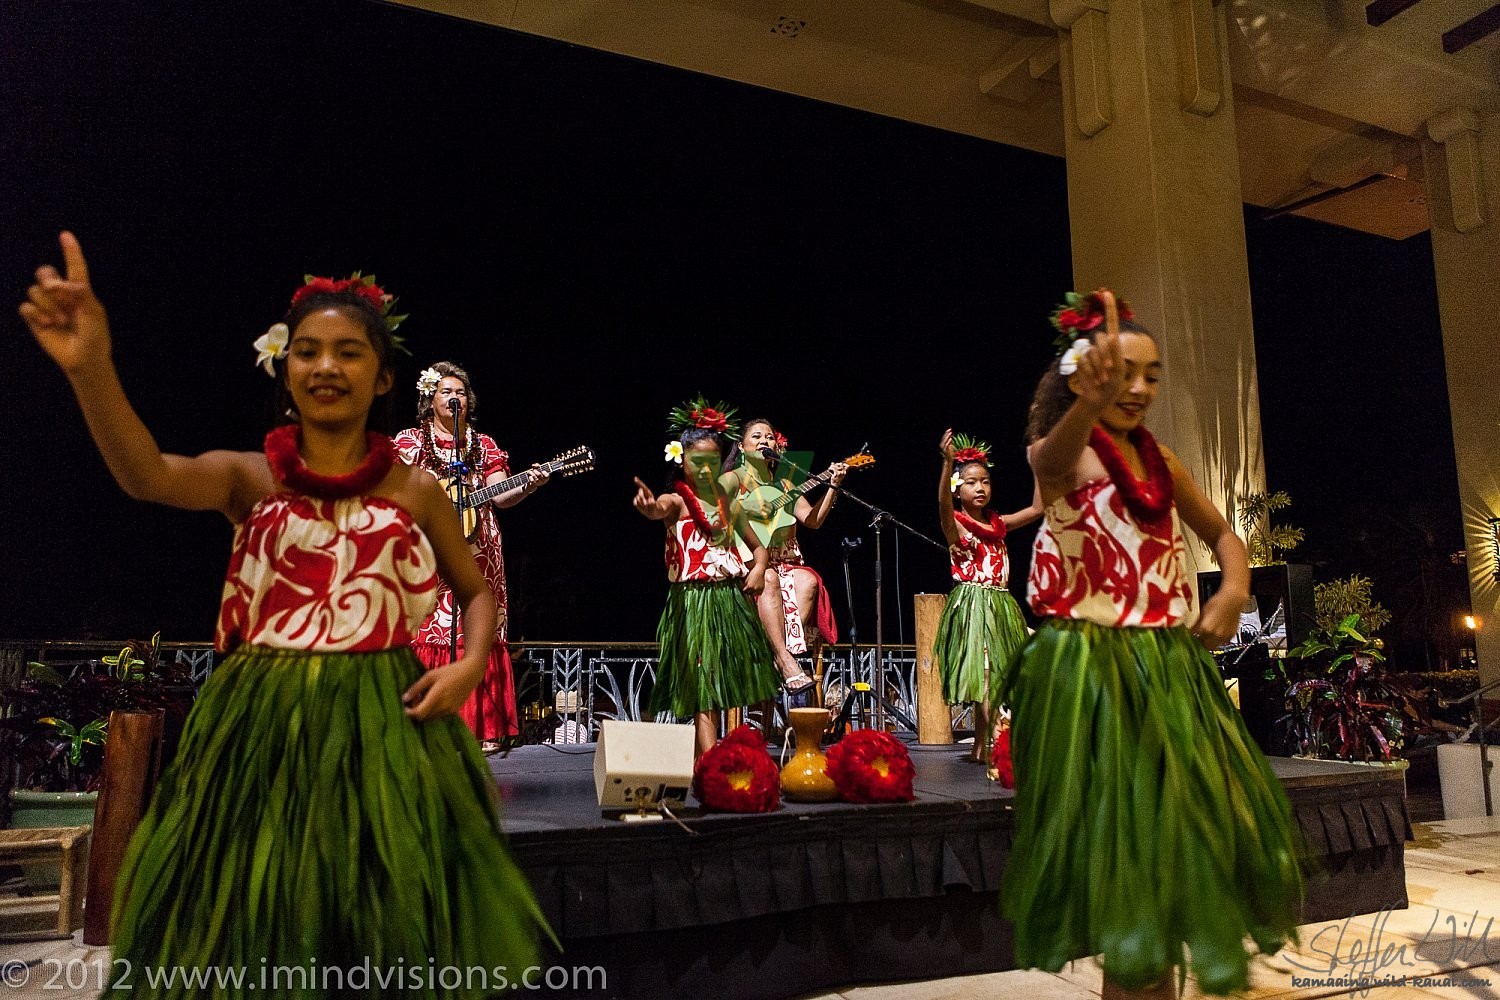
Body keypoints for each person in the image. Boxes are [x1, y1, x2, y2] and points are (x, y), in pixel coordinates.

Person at [19, 234, 544, 996]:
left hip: (386, 719)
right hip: (257, 723)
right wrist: (90, 368)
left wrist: (468, 664)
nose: (326, 365)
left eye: (349, 351)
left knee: (380, 934)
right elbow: (145, 474)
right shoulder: (248, 477)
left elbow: (478, 592)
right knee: (254, 926)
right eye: (307, 351)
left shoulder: (413, 490)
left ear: (385, 376)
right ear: (285, 368)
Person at [996, 290, 1302, 999]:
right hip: (1093, 675)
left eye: (1151, 374)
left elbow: (1226, 536)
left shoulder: (1161, 460)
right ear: (1081, 376)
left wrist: (1231, 588)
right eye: (1119, 374)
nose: (1137, 388)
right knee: (1129, 860)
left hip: (1169, 668)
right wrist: (1086, 404)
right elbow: (1049, 460)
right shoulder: (1064, 455)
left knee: (1171, 858)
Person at [395, 362, 547, 752]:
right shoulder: (410, 443)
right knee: (428, 627)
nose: (454, 397)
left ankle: (479, 730)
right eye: (446, 391)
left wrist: (527, 486)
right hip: (426, 552)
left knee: (474, 627)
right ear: (430, 400)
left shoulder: (483, 445)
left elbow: (499, 494)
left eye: (461, 392)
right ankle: (424, 719)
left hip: (478, 551)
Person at [633, 398, 780, 757]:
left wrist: (759, 568)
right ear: (682, 461)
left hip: (729, 598)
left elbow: (758, 547)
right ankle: (709, 759)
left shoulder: (729, 505)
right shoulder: (676, 500)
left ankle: (728, 755)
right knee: (703, 682)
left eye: (712, 462)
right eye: (696, 461)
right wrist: (649, 508)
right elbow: (659, 510)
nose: (704, 469)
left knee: (734, 678)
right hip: (691, 602)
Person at [933, 429, 1039, 762]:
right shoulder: (956, 525)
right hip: (973, 605)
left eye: (986, 482)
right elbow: (942, 503)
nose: (980, 488)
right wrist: (947, 464)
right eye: (971, 482)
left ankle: (982, 747)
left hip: (1002, 604)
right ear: (957, 487)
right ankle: (995, 740)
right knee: (987, 673)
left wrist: (1040, 461)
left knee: (1000, 673)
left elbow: (1038, 508)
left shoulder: (999, 524)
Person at [719, 419, 845, 696]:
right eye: (756, 436)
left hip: (783, 562)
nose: (764, 441)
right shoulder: (733, 479)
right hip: (746, 564)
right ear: (741, 446)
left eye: (769, 437)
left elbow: (812, 521)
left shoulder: (786, 484)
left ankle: (777, 655)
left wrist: (832, 487)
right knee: (768, 576)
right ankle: (784, 659)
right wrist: (743, 512)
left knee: (807, 580)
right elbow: (715, 507)